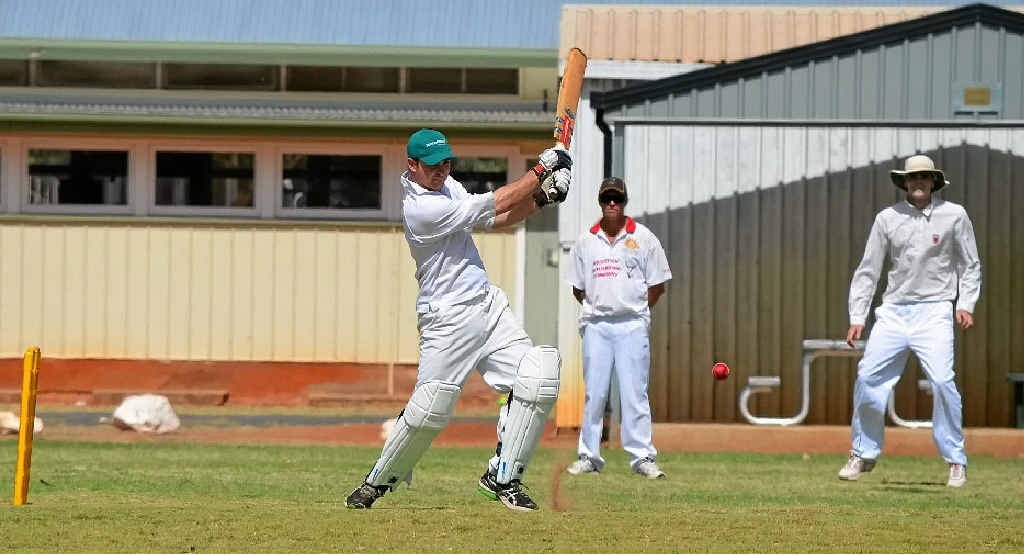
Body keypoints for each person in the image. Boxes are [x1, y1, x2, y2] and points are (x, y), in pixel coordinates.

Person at [345, 128, 572, 512]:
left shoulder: (448, 186)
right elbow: (492, 202)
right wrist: (540, 169)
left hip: (487, 305)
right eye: (433, 166)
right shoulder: (419, 209)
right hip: (446, 318)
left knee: (540, 375)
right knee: (431, 407)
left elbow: (495, 217)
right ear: (412, 165)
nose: (441, 171)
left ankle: (504, 478)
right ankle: (377, 482)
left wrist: (542, 197)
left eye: (447, 163)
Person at [840, 154, 981, 487]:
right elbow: (868, 269)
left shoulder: (954, 215)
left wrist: (967, 304)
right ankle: (863, 453)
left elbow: (970, 264)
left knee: (943, 382)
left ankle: (956, 461)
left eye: (924, 177)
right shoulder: (887, 218)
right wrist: (857, 315)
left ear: (933, 181)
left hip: (935, 310)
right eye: (912, 177)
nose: (918, 182)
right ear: (904, 182)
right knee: (868, 378)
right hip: (893, 311)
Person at [565, 177, 672, 479]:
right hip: (597, 325)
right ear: (600, 202)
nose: (612, 204)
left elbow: (658, 285)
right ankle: (589, 456)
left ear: (625, 202)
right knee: (595, 394)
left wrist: (634, 309)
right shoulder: (586, 240)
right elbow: (578, 288)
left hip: (632, 324)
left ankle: (642, 458)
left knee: (634, 392)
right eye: (607, 199)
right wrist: (600, 306)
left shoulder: (645, 238)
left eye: (618, 199)